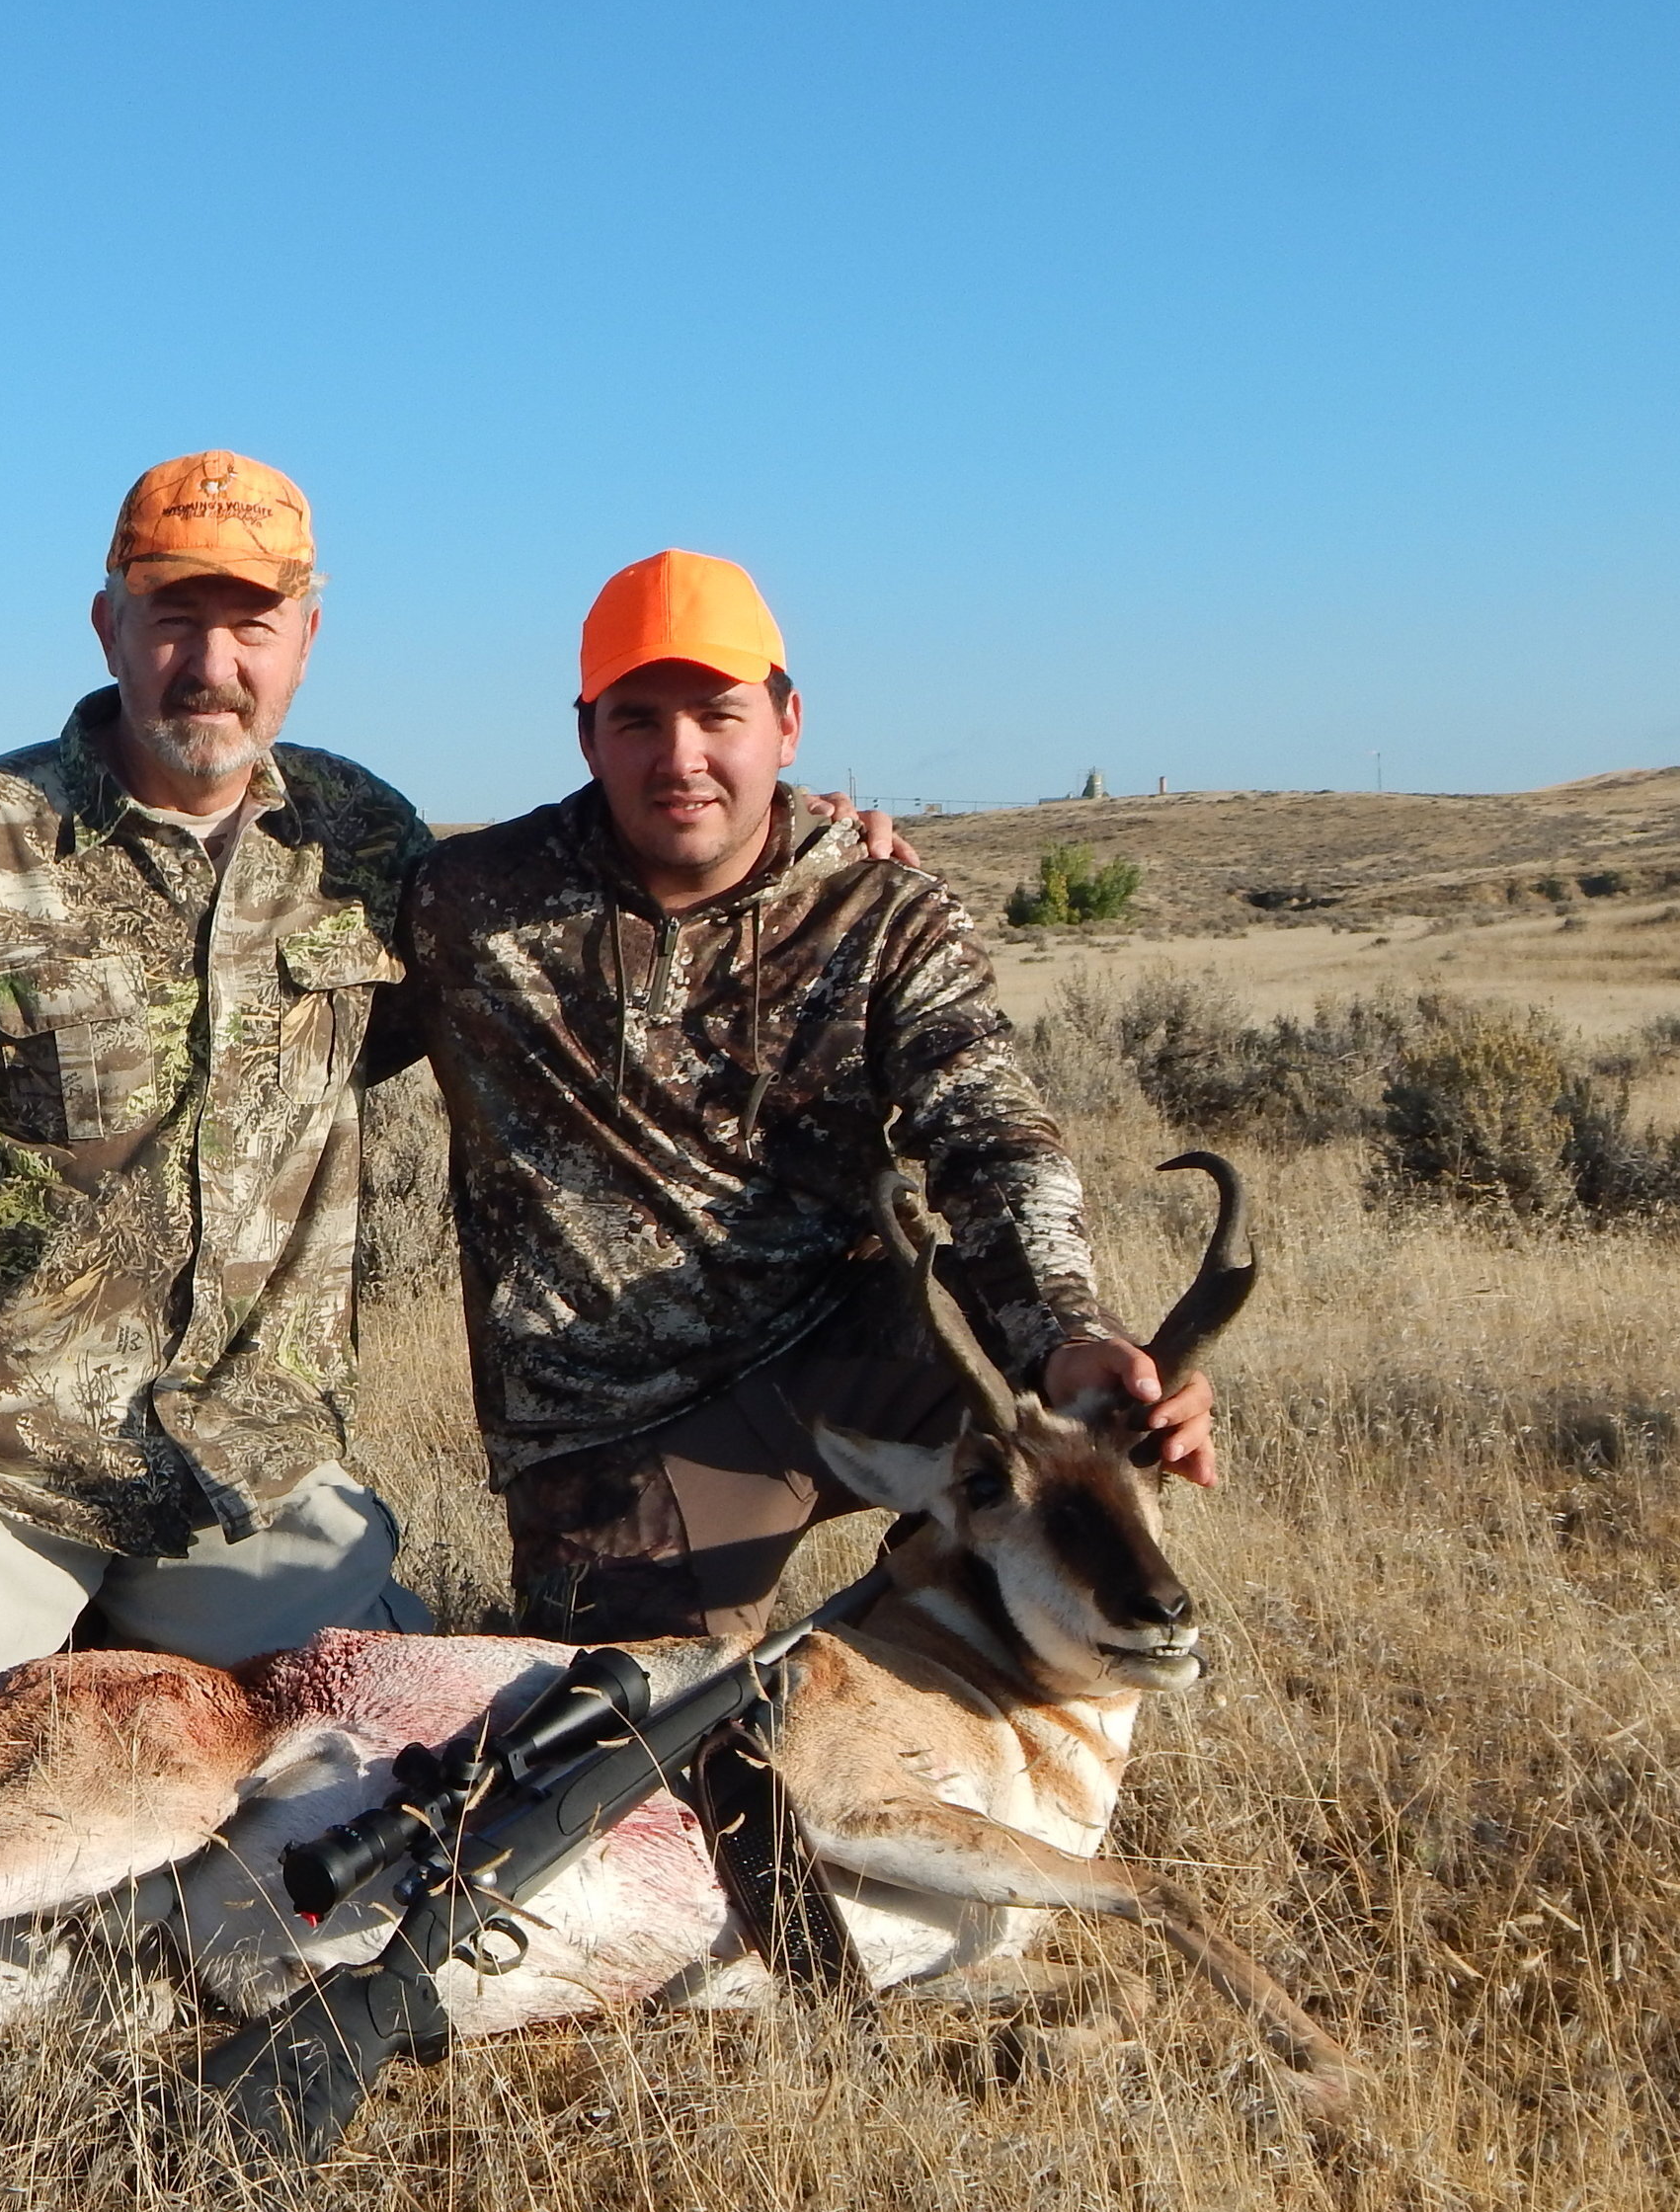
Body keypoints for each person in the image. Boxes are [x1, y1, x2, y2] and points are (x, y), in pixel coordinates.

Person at [0, 451, 436, 1868]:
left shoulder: (365, 843)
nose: (211, 664)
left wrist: (821, 854)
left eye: (251, 624)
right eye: (174, 618)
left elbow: (596, 915)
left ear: (309, 638)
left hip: (245, 1467)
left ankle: (132, 1647)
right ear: (108, 624)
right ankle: (25, 1631)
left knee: (412, 1794)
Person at [401, 548, 1216, 1645]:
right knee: (641, 1744)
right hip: (614, 1419)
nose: (680, 757)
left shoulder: (885, 910)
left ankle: (986, 1696)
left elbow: (989, 1139)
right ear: (587, 734)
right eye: (638, 720)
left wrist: (1071, 1336)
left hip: (858, 1351)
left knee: (1093, 1487)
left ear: (788, 724)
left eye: (718, 716)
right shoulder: (469, 904)